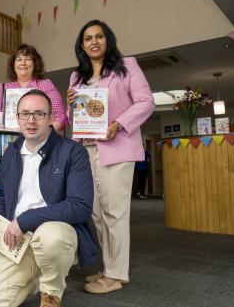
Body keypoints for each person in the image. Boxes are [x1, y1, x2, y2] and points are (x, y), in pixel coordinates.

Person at [0, 90, 96, 307]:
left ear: (51, 118)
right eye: (25, 114)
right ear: (17, 118)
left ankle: (51, 293)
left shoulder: (73, 151)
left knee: (50, 237)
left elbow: (80, 206)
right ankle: (36, 277)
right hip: (19, 241)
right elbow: (0, 194)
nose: (31, 120)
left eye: (39, 114)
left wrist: (24, 220)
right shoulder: (11, 152)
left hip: (56, 234)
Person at [66, 19, 154, 294]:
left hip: (117, 147)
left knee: (114, 213)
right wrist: (71, 105)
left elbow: (146, 102)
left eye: (99, 36)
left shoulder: (127, 66)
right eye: (88, 38)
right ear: (82, 45)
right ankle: (109, 267)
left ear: (107, 40)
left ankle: (116, 274)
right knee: (95, 213)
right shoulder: (76, 77)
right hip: (86, 150)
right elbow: (76, 119)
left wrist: (118, 124)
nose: (94, 42)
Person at [0, 44, 67, 131]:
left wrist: (44, 137)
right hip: (9, 140)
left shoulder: (45, 85)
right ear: (13, 65)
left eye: (27, 59)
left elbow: (60, 117)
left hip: (40, 141)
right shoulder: (2, 88)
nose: (23, 63)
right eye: (19, 59)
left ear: (35, 64)